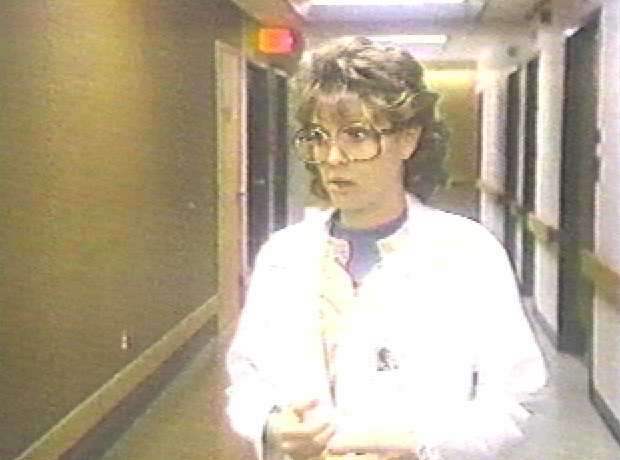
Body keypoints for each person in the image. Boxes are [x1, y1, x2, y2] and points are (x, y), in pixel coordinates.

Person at [226, 37, 546, 460]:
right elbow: (247, 378)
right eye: (318, 136)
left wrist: (419, 443)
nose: (332, 157)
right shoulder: (283, 255)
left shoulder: (469, 254)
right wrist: (269, 425)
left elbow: (516, 402)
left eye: (357, 135)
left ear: (408, 139)